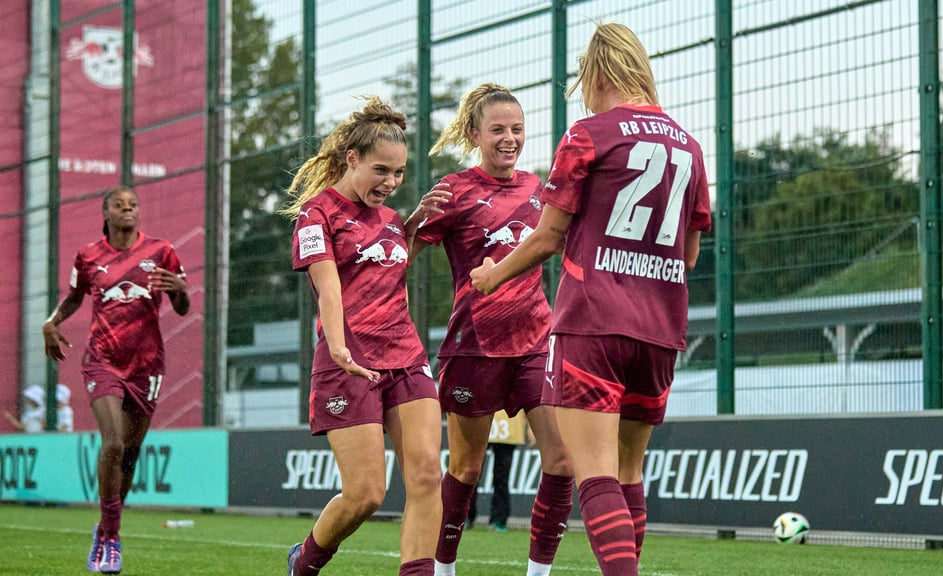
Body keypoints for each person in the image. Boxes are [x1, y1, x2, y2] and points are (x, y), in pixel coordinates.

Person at [470, 23, 712, 576]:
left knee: (596, 473)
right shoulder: (689, 146)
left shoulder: (589, 134)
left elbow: (548, 236)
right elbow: (691, 254)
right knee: (629, 472)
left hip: (593, 322)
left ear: (598, 72)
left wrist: (492, 277)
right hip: (660, 329)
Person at [403, 82, 574, 576]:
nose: (509, 138)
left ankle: (538, 573)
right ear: (475, 133)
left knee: (561, 461)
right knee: (466, 469)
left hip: (537, 343)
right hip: (473, 349)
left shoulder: (539, 188)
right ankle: (443, 567)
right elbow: (403, 256)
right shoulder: (454, 190)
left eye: (517, 129)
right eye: (498, 129)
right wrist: (414, 223)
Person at [282, 96, 441, 576]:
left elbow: (388, 278)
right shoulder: (317, 214)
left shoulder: (393, 221)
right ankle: (305, 561)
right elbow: (329, 290)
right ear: (352, 159)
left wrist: (411, 230)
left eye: (398, 174)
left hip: (406, 357)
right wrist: (337, 348)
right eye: (381, 171)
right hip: (347, 361)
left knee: (428, 476)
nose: (390, 183)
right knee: (367, 494)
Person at [41, 184, 190, 574]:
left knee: (130, 454)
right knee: (113, 443)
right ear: (105, 213)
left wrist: (180, 291)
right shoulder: (89, 256)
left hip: (146, 364)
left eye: (133, 205)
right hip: (102, 359)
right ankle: (111, 538)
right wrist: (52, 322)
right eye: (120, 206)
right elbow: (76, 296)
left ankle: (105, 527)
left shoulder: (161, 251)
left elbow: (182, 304)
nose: (129, 211)